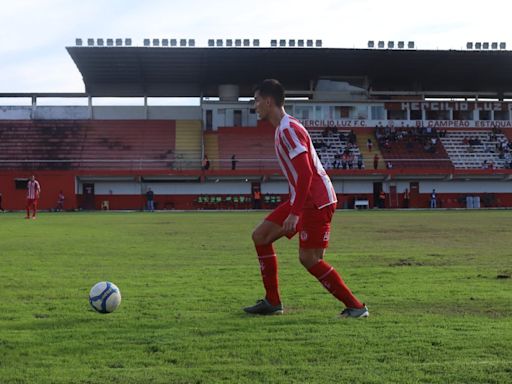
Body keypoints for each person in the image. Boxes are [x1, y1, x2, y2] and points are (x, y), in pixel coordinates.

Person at [244, 79, 368, 318]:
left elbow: (306, 172)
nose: (255, 105)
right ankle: (272, 302)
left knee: (309, 258)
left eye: (257, 100)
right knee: (261, 236)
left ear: (268, 102)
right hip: (304, 199)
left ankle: (356, 307)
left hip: (315, 201)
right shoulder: (285, 128)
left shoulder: (288, 129)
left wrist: (295, 212)